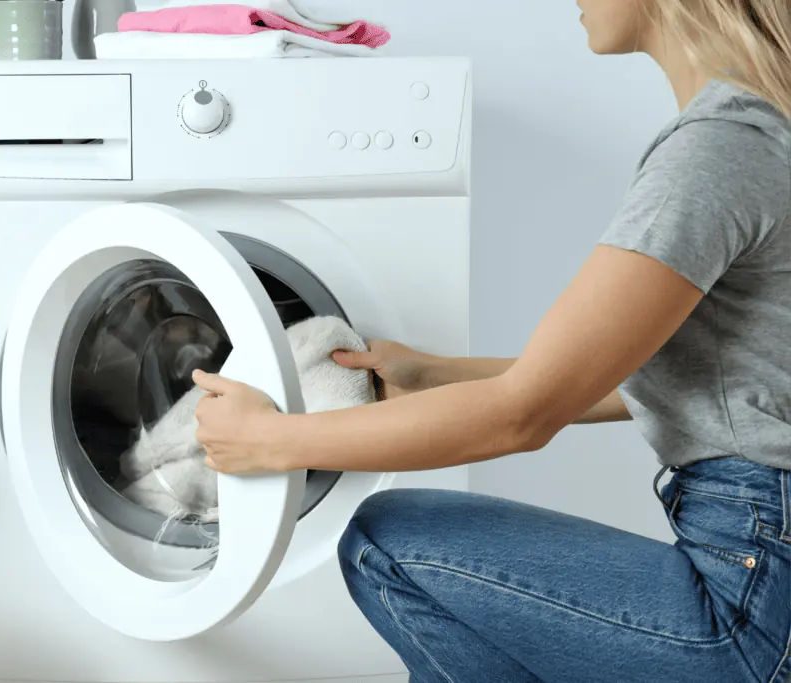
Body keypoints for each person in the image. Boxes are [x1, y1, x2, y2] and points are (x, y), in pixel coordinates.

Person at [191, 0, 791, 681]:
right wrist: (438, 373)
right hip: (766, 576)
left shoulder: (714, 152)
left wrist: (268, 442)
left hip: (749, 602)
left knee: (385, 540)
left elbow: (523, 414)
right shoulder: (765, 128)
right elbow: (693, 384)